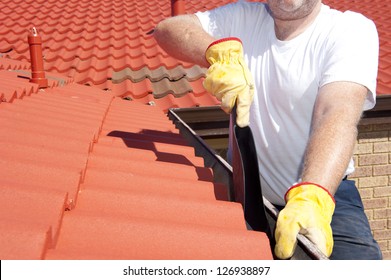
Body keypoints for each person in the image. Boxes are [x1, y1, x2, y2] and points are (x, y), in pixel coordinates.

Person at [153, 0, 382, 260]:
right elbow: (167, 29)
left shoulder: (349, 30)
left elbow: (336, 112)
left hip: (324, 198)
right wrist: (216, 52)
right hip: (247, 196)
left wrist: (313, 195)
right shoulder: (242, 17)